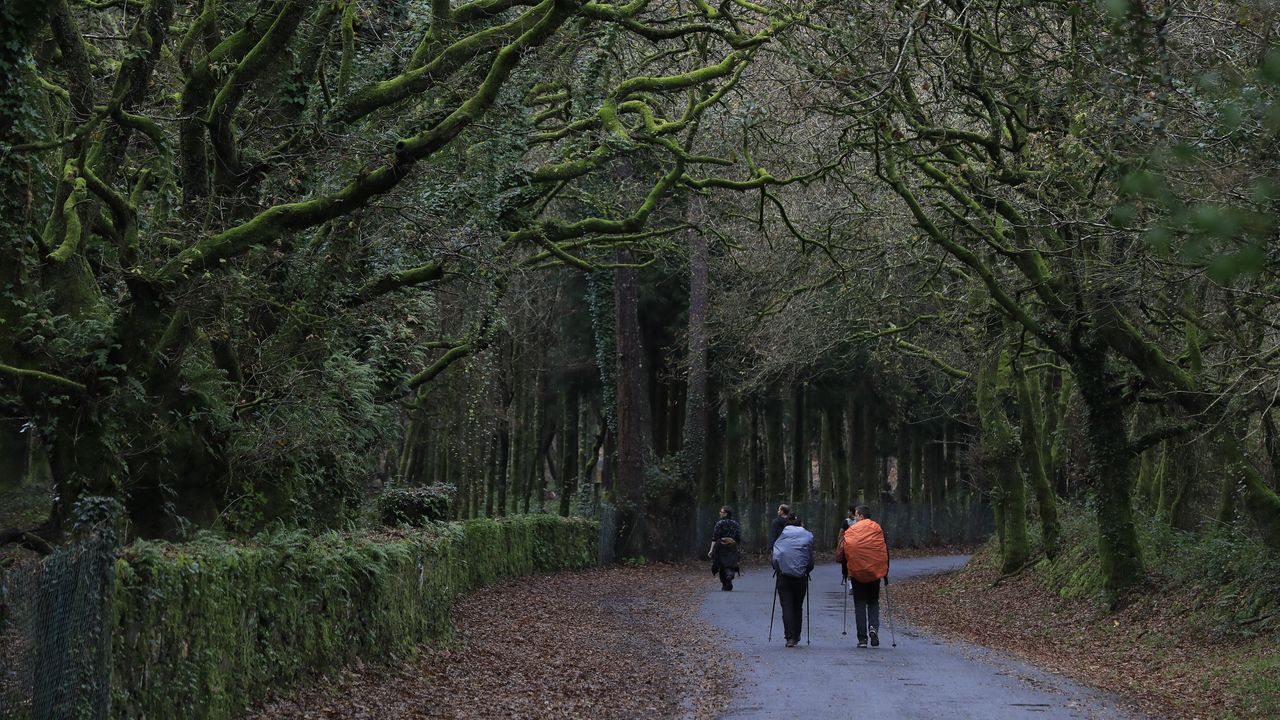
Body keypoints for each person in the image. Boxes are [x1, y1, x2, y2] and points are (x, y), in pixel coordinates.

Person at [843, 505, 889, 648]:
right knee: (873, 602)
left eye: (856, 515)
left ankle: (862, 639)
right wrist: (885, 572)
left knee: (860, 604)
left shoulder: (852, 531)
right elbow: (884, 550)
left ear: (861, 516)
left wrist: (846, 572)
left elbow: (847, 552)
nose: (855, 518)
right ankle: (873, 628)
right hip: (874, 573)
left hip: (857, 573)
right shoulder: (877, 528)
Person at [771, 514, 814, 648]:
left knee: (787, 607)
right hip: (800, 578)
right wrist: (806, 570)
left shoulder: (781, 537)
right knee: (797, 606)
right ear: (801, 524)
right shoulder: (806, 538)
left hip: (783, 577)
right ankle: (796, 635)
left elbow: (775, 557)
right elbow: (810, 561)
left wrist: (778, 569)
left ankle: (789, 636)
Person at [707, 506, 741, 591]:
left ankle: (725, 584)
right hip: (732, 545)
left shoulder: (719, 523)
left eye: (721, 512)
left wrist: (711, 550)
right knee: (731, 563)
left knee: (721, 564)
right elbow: (738, 536)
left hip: (721, 546)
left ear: (726, 513)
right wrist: (738, 546)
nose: (720, 513)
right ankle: (730, 574)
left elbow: (715, 537)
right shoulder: (735, 523)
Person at [837, 504, 857, 593]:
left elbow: (841, 533)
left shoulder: (846, 521)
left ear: (850, 512)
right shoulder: (861, 521)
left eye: (848, 511)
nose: (847, 512)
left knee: (847, 564)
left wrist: (839, 543)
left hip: (848, 546)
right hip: (859, 546)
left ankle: (851, 585)